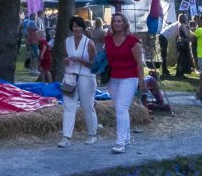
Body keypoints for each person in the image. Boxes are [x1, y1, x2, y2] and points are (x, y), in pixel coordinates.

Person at [103, 13, 146, 153]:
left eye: (119, 21)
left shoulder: (133, 40)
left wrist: (141, 81)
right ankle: (126, 138)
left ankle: (120, 142)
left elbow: (139, 63)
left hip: (129, 77)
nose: (116, 23)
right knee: (120, 108)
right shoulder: (108, 39)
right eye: (114, 21)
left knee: (121, 108)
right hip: (113, 77)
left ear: (124, 23)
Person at [58, 16, 98, 148]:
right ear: (72, 28)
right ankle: (66, 137)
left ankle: (92, 134)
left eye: (79, 26)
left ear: (83, 27)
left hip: (86, 77)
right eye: (75, 26)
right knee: (69, 107)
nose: (77, 29)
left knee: (87, 105)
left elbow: (94, 64)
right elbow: (64, 55)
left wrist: (80, 60)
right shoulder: (67, 41)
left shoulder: (89, 43)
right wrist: (66, 60)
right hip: (70, 76)